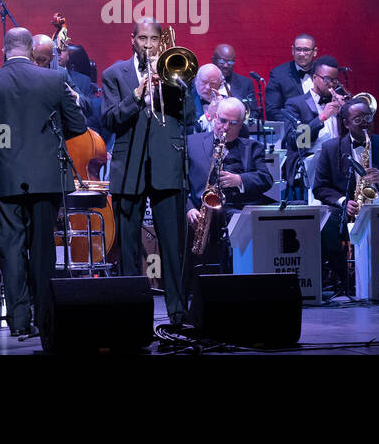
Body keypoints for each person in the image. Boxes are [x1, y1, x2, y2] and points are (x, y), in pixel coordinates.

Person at [0, 28, 88, 337]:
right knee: (43, 251)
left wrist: (5, 140)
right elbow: (77, 125)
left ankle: (18, 322)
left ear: (5, 49)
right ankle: (45, 320)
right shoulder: (53, 80)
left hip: (6, 179)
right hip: (46, 179)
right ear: (32, 51)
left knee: (11, 250)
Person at [102, 17, 196, 324]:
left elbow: (190, 117)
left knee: (173, 246)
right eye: (143, 39)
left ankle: (178, 313)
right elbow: (110, 120)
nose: (149, 45)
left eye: (154, 39)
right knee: (128, 249)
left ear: (162, 42)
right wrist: (137, 94)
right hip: (129, 168)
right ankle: (132, 316)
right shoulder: (115, 74)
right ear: (133, 40)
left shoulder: (176, 73)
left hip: (167, 166)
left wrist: (172, 84)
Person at [311, 98, 379, 294]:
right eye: (358, 119)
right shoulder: (330, 148)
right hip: (350, 208)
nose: (365, 122)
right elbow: (320, 188)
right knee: (326, 224)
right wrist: (344, 201)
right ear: (345, 123)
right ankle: (344, 279)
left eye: (368, 117)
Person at [184, 98, 273, 273]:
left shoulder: (252, 147)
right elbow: (181, 182)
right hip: (200, 210)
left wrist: (240, 180)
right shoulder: (191, 143)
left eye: (233, 123)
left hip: (237, 211)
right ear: (214, 117)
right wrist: (188, 209)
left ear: (241, 124)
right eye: (222, 121)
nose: (225, 128)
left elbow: (266, 178)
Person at [264, 34, 319, 119]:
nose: (301, 54)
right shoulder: (278, 75)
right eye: (298, 49)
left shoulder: (323, 72)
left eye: (306, 50)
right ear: (292, 50)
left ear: (314, 52)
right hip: (294, 129)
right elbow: (272, 111)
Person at [211, 43, 256, 112]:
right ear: (213, 60)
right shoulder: (199, 81)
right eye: (222, 61)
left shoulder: (246, 84)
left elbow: (253, 113)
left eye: (230, 62)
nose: (226, 66)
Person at [190, 63, 225, 133]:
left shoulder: (226, 100)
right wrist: (208, 115)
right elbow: (185, 132)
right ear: (196, 80)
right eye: (204, 82)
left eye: (213, 83)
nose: (207, 87)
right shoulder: (186, 101)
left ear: (220, 83)